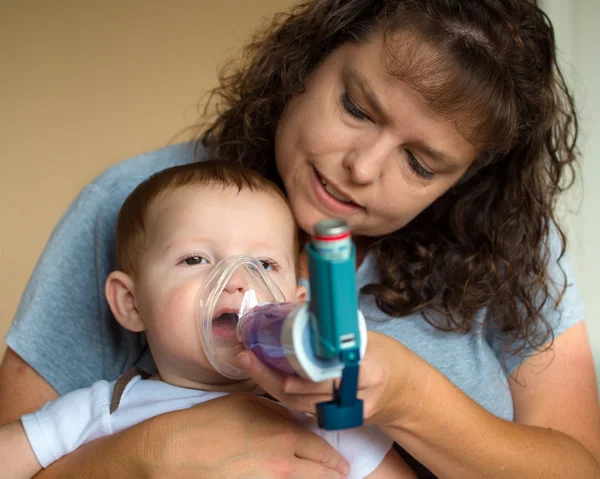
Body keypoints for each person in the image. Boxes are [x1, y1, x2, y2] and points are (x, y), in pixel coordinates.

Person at [1, 0, 599, 478]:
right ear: (310, 62)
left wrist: (407, 397)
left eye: (420, 164)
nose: (362, 168)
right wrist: (138, 457)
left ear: (465, 181)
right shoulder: (140, 205)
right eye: (357, 108)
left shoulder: (507, 243)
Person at [0, 160, 417, 479]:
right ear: (131, 303)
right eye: (196, 259)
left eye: (264, 263)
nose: (237, 281)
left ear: (300, 303)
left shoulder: (324, 414)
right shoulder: (100, 411)